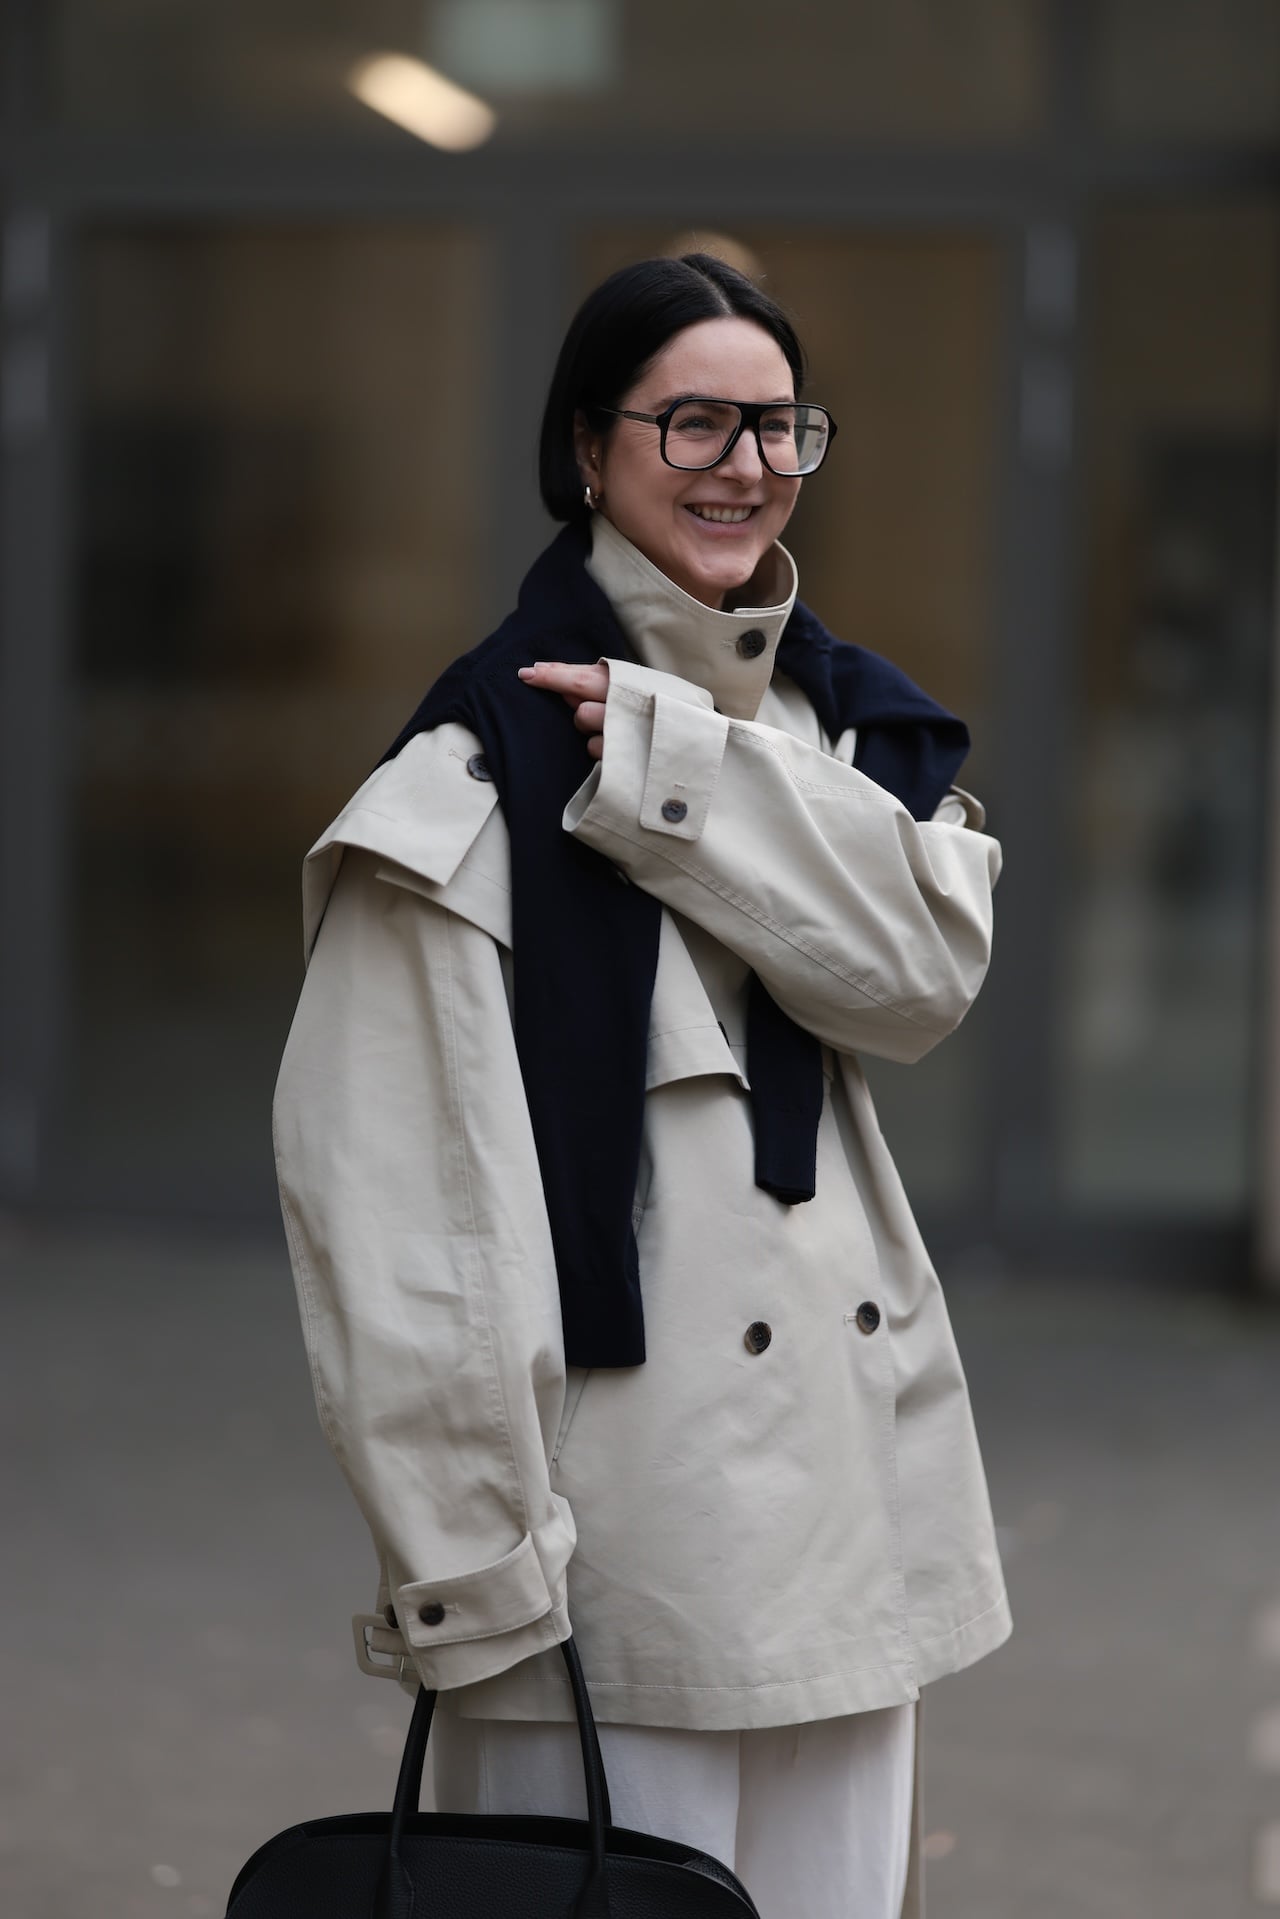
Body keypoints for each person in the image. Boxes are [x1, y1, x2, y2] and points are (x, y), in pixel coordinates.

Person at [273, 252, 1010, 1919]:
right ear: (589, 452)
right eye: (691, 421)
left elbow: (917, 981)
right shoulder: (468, 780)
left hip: (849, 1512)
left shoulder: (839, 732)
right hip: (615, 1560)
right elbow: (398, 1220)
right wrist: (478, 1577)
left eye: (776, 423)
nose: (744, 462)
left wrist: (686, 764)